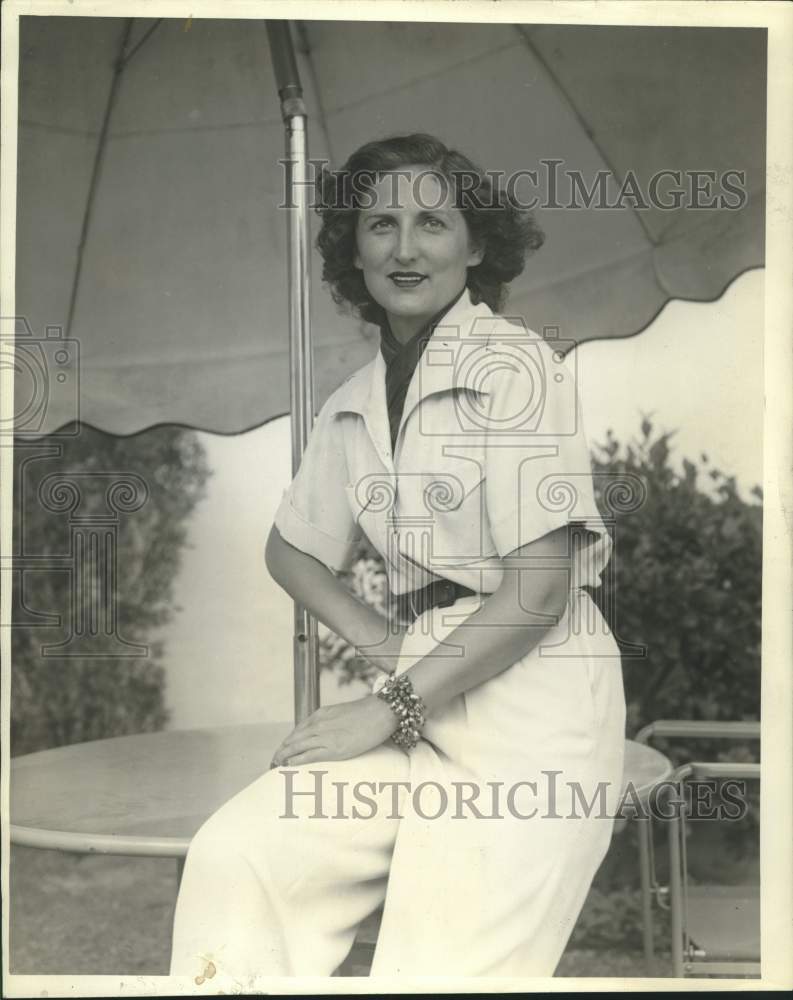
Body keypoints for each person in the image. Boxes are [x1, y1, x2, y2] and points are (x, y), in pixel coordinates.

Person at [169, 134, 626, 983]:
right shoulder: (349, 407)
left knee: (436, 968)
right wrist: (388, 648)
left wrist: (386, 704)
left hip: (537, 703)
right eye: (379, 224)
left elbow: (535, 594)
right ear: (354, 249)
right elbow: (291, 550)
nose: (405, 247)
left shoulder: (514, 367)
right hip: (421, 681)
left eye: (431, 222)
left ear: (477, 244)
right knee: (241, 856)